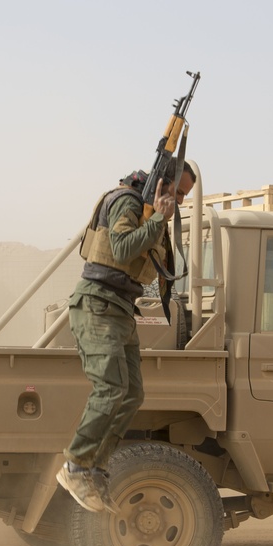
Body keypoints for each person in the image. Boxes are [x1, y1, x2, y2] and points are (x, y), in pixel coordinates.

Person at [57, 160, 197, 513]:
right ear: (161, 183)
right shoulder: (128, 202)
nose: (178, 201)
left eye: (184, 196)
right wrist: (156, 220)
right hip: (97, 303)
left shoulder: (150, 211)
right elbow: (120, 249)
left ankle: (96, 468)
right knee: (111, 389)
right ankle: (75, 465)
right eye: (177, 192)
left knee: (132, 394)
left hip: (120, 309)